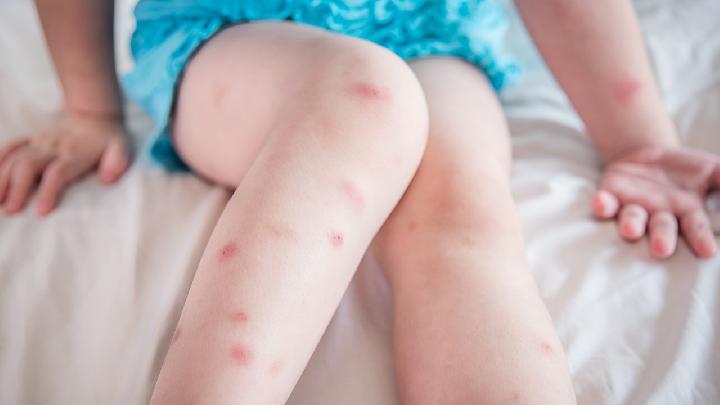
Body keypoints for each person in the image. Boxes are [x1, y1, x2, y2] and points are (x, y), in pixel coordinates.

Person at [1, 0, 719, 403]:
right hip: (228, 36)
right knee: (364, 97)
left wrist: (637, 140)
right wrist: (90, 109)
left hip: (429, 34)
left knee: (463, 208)